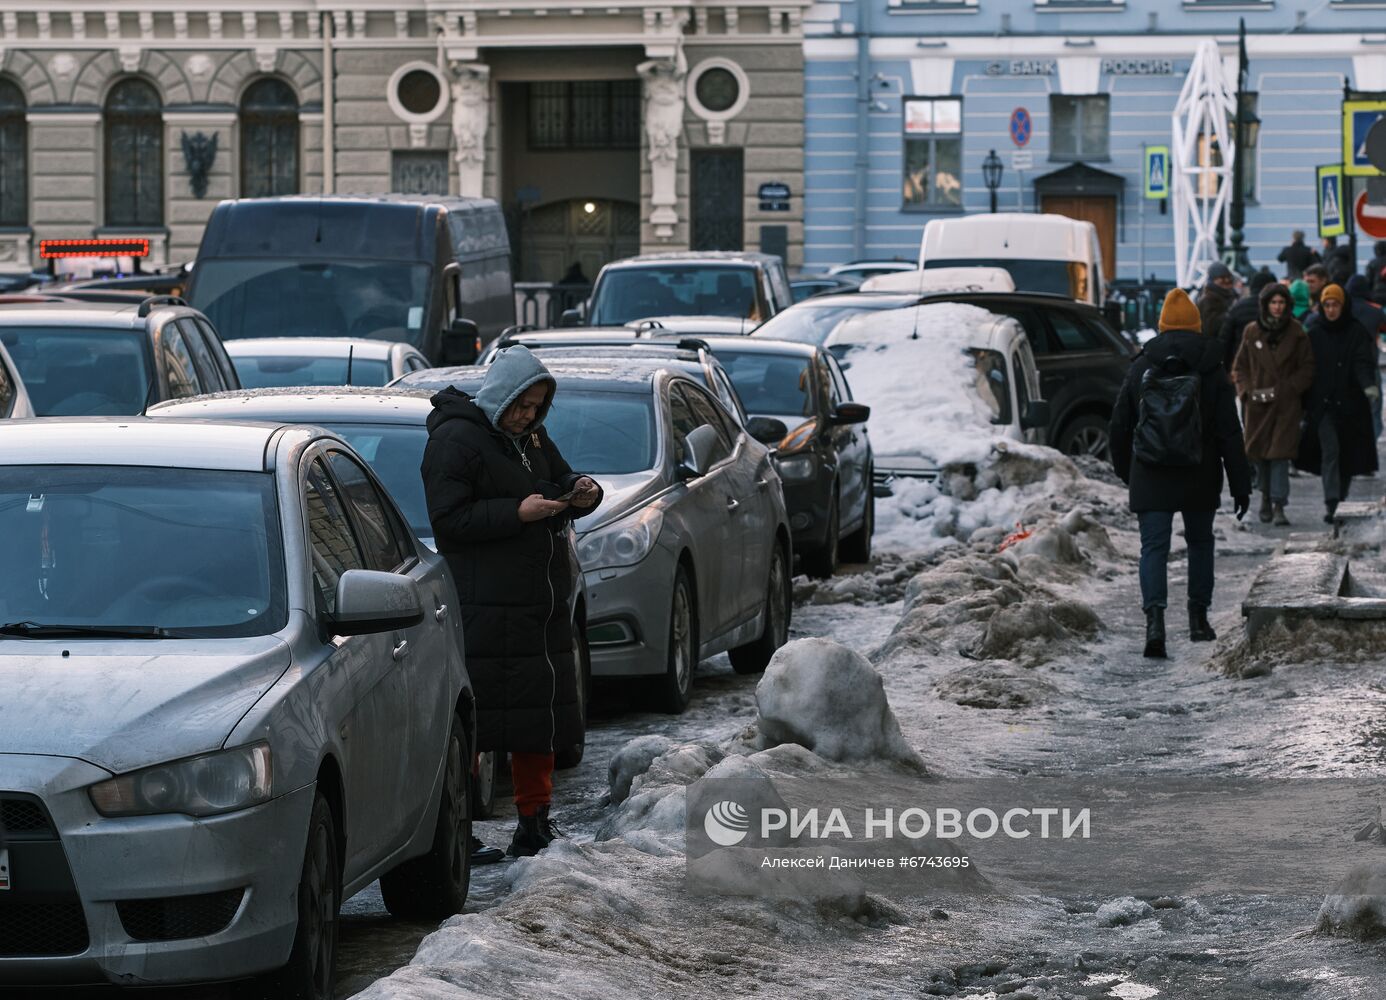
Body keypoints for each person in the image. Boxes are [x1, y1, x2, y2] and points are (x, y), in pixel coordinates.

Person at [421, 345, 604, 861]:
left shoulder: (531, 438)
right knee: (476, 721)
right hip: (482, 604)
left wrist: (581, 489)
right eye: (523, 405)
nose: (528, 415)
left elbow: (560, 475)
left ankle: (534, 822)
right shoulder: (456, 439)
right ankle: (457, 832)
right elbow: (448, 521)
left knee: (537, 717)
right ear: (500, 394)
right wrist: (516, 513)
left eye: (537, 407)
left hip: (537, 605)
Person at [1110, 289, 1251, 659]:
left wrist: (1128, 472)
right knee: (1200, 542)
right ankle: (1198, 620)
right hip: (1198, 471)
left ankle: (1154, 623)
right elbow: (1228, 431)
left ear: (1161, 324)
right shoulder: (1211, 367)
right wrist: (1241, 484)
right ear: (1196, 323)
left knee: (1153, 548)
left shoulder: (1142, 365)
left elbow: (1118, 426)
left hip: (1151, 472)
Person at [1230, 283, 1316, 526]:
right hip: (1257, 405)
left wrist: (1290, 389)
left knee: (1280, 455)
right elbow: (1240, 367)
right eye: (1273, 302)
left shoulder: (1297, 333)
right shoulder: (1251, 332)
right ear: (1265, 305)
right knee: (1260, 455)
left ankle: (1278, 504)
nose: (1277, 307)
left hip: (1285, 405)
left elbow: (1307, 367)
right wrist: (1246, 392)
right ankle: (1265, 498)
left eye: (1281, 303)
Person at [1297, 284, 1380, 521]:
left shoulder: (1356, 332)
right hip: (1322, 405)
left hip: (1351, 405)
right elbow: (1307, 368)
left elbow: (1363, 362)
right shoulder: (1315, 334)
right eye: (1327, 305)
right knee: (1330, 450)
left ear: (1343, 306)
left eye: (1335, 305)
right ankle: (1332, 502)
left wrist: (1368, 386)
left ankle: (1340, 497)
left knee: (1347, 454)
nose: (1331, 310)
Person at [1218, 268, 1275, 370]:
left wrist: (1226, 369)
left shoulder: (1237, 308)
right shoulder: (1278, 309)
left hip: (1242, 364)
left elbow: (1225, 341)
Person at [1197, 262, 1238, 342]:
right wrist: (1232, 313)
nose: (1227, 280)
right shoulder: (1208, 299)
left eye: (1229, 277)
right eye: (1222, 278)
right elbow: (1210, 327)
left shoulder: (1232, 295)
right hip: (1215, 345)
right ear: (1213, 280)